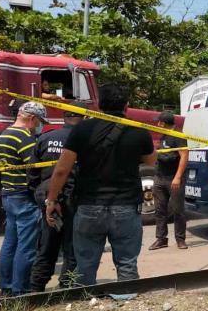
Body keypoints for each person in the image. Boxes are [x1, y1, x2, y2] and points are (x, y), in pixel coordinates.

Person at [45, 85, 156, 286]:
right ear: (126, 106)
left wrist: (51, 200)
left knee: (84, 265)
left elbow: (62, 170)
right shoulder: (140, 131)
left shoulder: (82, 130)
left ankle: (86, 307)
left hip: (88, 206)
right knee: (127, 264)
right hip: (126, 206)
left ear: (99, 105)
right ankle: (127, 304)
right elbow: (150, 162)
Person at [27, 102, 85, 292]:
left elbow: (32, 175)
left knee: (46, 246)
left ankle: (36, 290)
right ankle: (67, 287)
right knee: (72, 246)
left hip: (48, 199)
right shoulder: (86, 140)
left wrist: (44, 198)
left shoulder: (46, 138)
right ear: (83, 118)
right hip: (73, 199)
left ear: (64, 117)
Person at [0, 101, 48, 296]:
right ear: (32, 118)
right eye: (39, 122)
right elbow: (33, 168)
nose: (38, 126)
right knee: (26, 247)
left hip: (8, 194)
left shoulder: (5, 133)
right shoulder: (24, 137)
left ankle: (7, 288)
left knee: (10, 243)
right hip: (23, 196)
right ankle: (21, 291)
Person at [149, 111, 189, 250]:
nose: (157, 124)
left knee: (178, 210)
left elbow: (184, 156)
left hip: (174, 179)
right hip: (160, 177)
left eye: (159, 122)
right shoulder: (163, 136)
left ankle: (180, 239)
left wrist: (178, 177)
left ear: (163, 123)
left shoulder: (178, 136)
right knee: (160, 210)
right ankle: (161, 239)